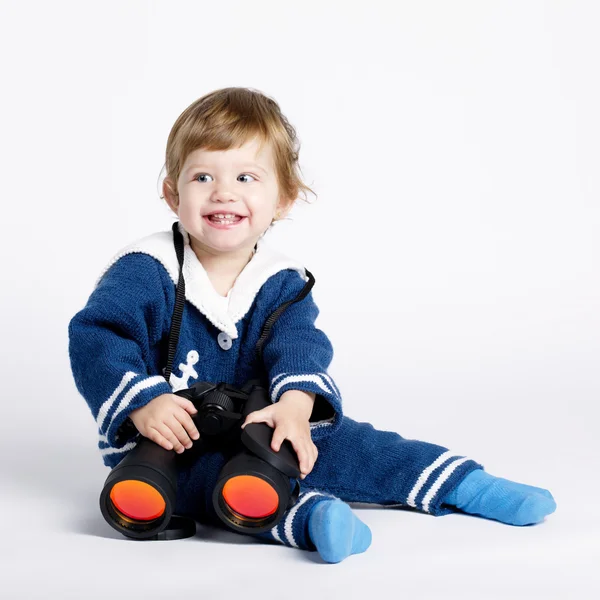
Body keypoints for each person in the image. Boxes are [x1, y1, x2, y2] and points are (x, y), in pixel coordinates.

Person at [68, 87, 556, 564]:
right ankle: (314, 520)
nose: (223, 192)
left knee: (354, 445)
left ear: (284, 199)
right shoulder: (145, 269)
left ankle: (463, 483)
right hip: (170, 444)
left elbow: (300, 344)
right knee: (221, 484)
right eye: (202, 178)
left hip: (265, 425)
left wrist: (297, 405)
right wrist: (142, 402)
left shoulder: (282, 281)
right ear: (173, 194)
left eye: (246, 178)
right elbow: (98, 336)